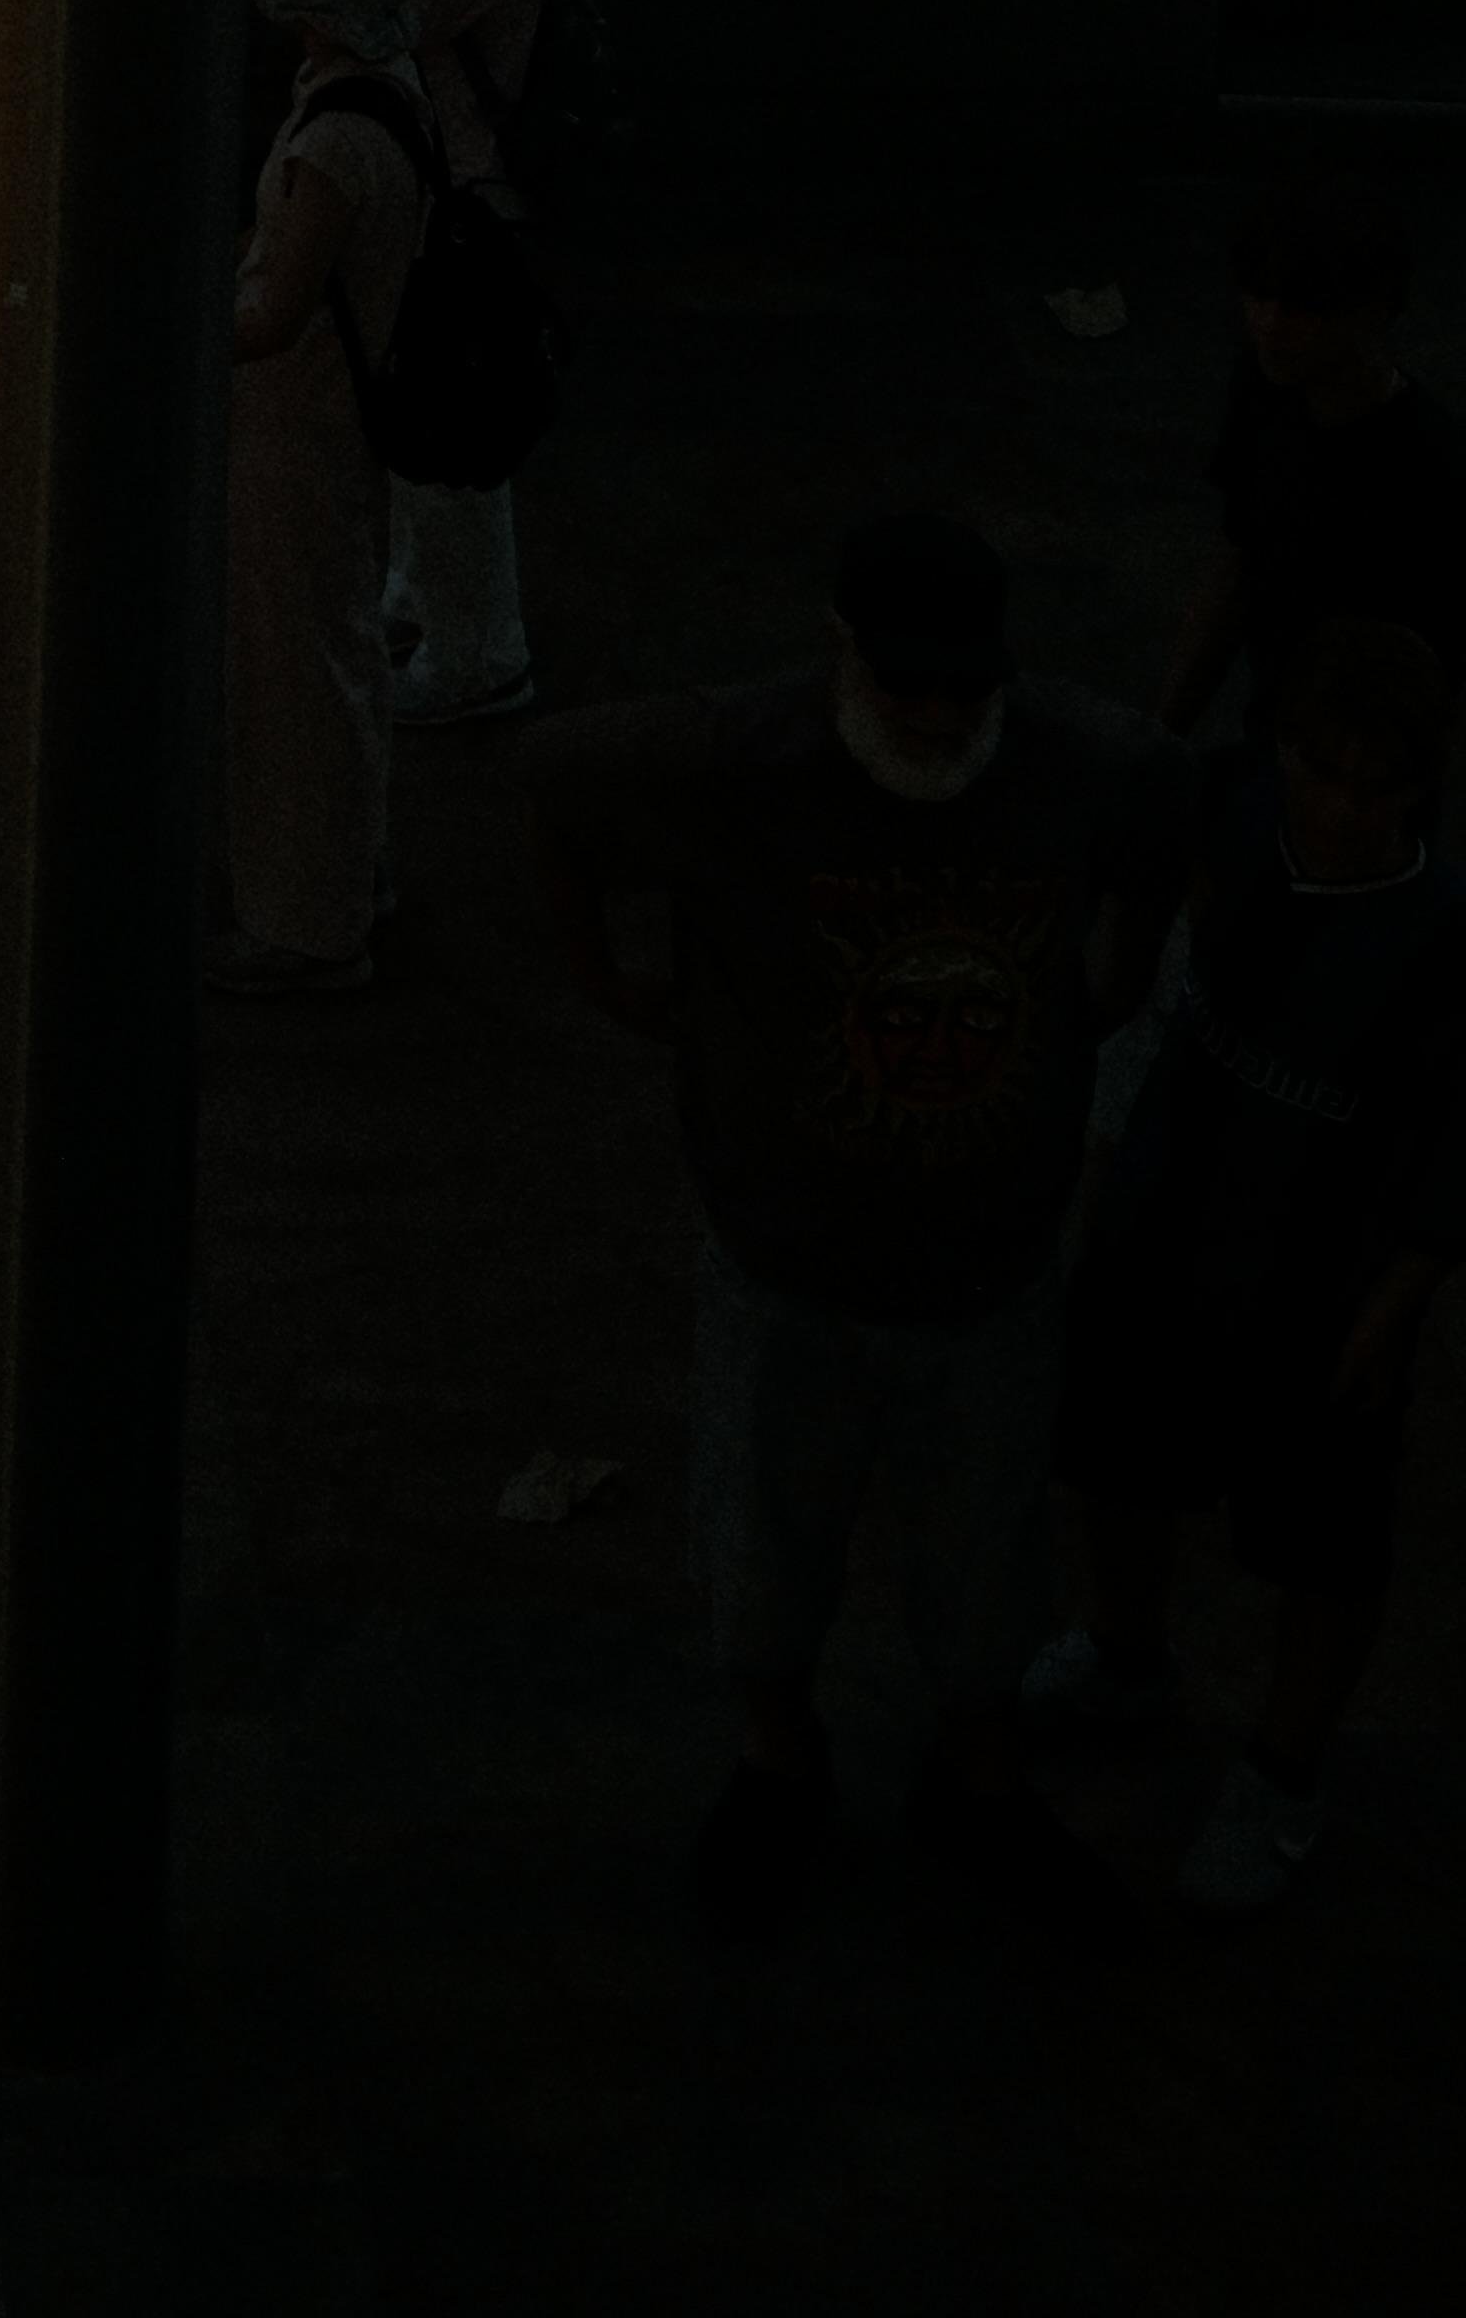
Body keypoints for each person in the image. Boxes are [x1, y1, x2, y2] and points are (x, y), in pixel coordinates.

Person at [524, 509, 1193, 1941]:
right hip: (789, 1259)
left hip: (988, 1266)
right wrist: (615, 984)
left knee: (985, 1562)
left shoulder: (1077, 760)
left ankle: (973, 1775)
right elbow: (555, 786)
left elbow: (1164, 831)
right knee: (769, 1559)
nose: (942, 720)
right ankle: (782, 1759)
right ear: (845, 659)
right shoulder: (740, 759)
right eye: (910, 690)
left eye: (966, 691)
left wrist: (1120, 978)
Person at [1039, 612, 1466, 1910]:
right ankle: (1126, 1659)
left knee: (1322, 1544)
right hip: (1164, 1223)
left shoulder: (1445, 938)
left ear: (1416, 787)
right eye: (1314, 767)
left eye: (1367, 780)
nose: (1334, 804)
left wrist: (1390, 1311)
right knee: (1114, 1451)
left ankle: (1282, 1779)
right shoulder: (1231, 816)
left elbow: (1457, 1160)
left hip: (1320, 1289)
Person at [324, 0, 560, 729]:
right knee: (433, 422)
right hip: (474, 182)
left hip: (450, 196)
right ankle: (431, 601)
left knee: (440, 432)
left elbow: (383, 17)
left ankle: (478, 655)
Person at [219, 0, 435, 999]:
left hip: (294, 426)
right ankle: (348, 875)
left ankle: (303, 924)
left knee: (290, 667)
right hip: (346, 416)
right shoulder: (393, 90)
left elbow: (273, 312)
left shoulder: (332, 142)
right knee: (335, 647)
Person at [1160, 154, 1466, 741]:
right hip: (1278, 732)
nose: (1271, 323)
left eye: (1303, 304)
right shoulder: (1270, 387)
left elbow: (1430, 678)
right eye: (1260, 294)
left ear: (1373, 311)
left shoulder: (1432, 470)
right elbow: (1239, 562)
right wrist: (1162, 733)